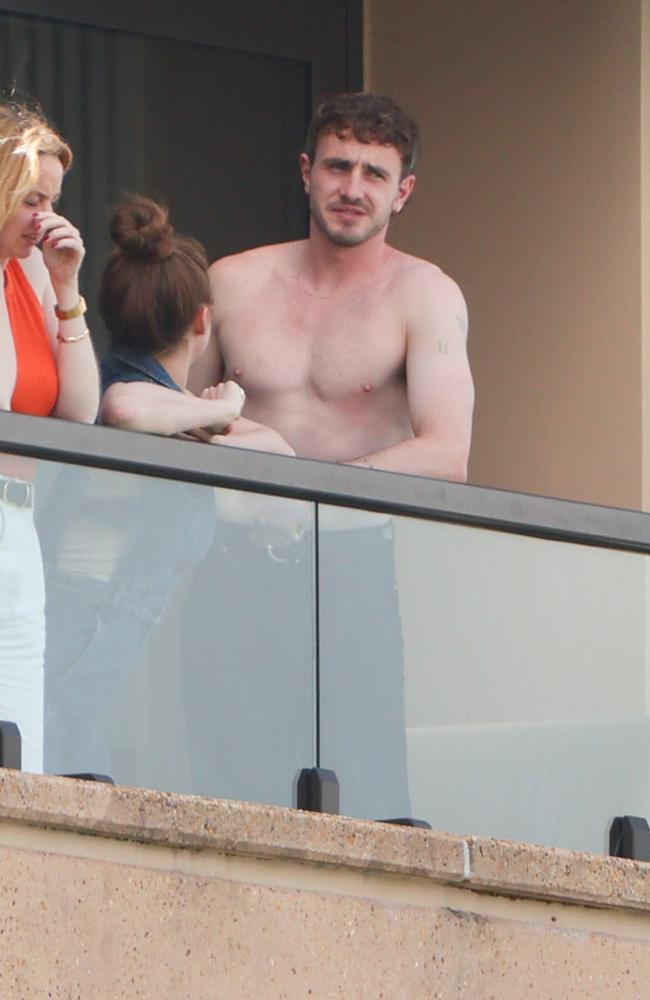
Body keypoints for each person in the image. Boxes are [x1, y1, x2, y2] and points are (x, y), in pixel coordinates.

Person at [184, 93, 475, 819]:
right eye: (339, 166)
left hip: (352, 565)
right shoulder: (232, 282)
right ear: (306, 171)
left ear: (402, 192)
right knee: (224, 785)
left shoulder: (425, 294)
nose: (353, 188)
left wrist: (310, 489)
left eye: (375, 174)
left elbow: (447, 455)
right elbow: (172, 417)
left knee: (364, 788)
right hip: (231, 558)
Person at [41, 197, 293, 778]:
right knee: (62, 752)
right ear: (202, 320)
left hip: (104, 617)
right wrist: (225, 404)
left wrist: (212, 431)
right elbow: (124, 407)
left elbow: (282, 452)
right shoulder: (124, 387)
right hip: (88, 609)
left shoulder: (177, 411)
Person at [0, 100, 99, 773]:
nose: (46, 219)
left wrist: (66, 290)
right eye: (31, 199)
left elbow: (79, 413)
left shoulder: (31, 271)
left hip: (18, 521)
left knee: (19, 734)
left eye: (54, 200)